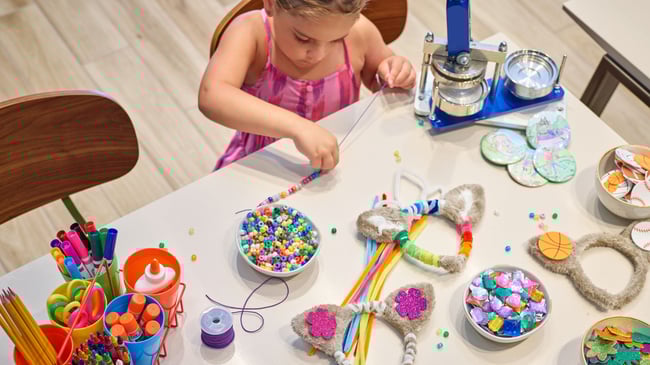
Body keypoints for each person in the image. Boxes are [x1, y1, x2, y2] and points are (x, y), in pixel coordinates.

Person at [199, 0, 416, 171]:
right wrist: (298, 127)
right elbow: (212, 95)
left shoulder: (361, 33)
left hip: (337, 164)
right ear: (271, 3)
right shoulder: (251, 33)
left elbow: (380, 78)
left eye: (337, 39)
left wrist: (395, 71)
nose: (319, 54)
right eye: (303, 38)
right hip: (263, 165)